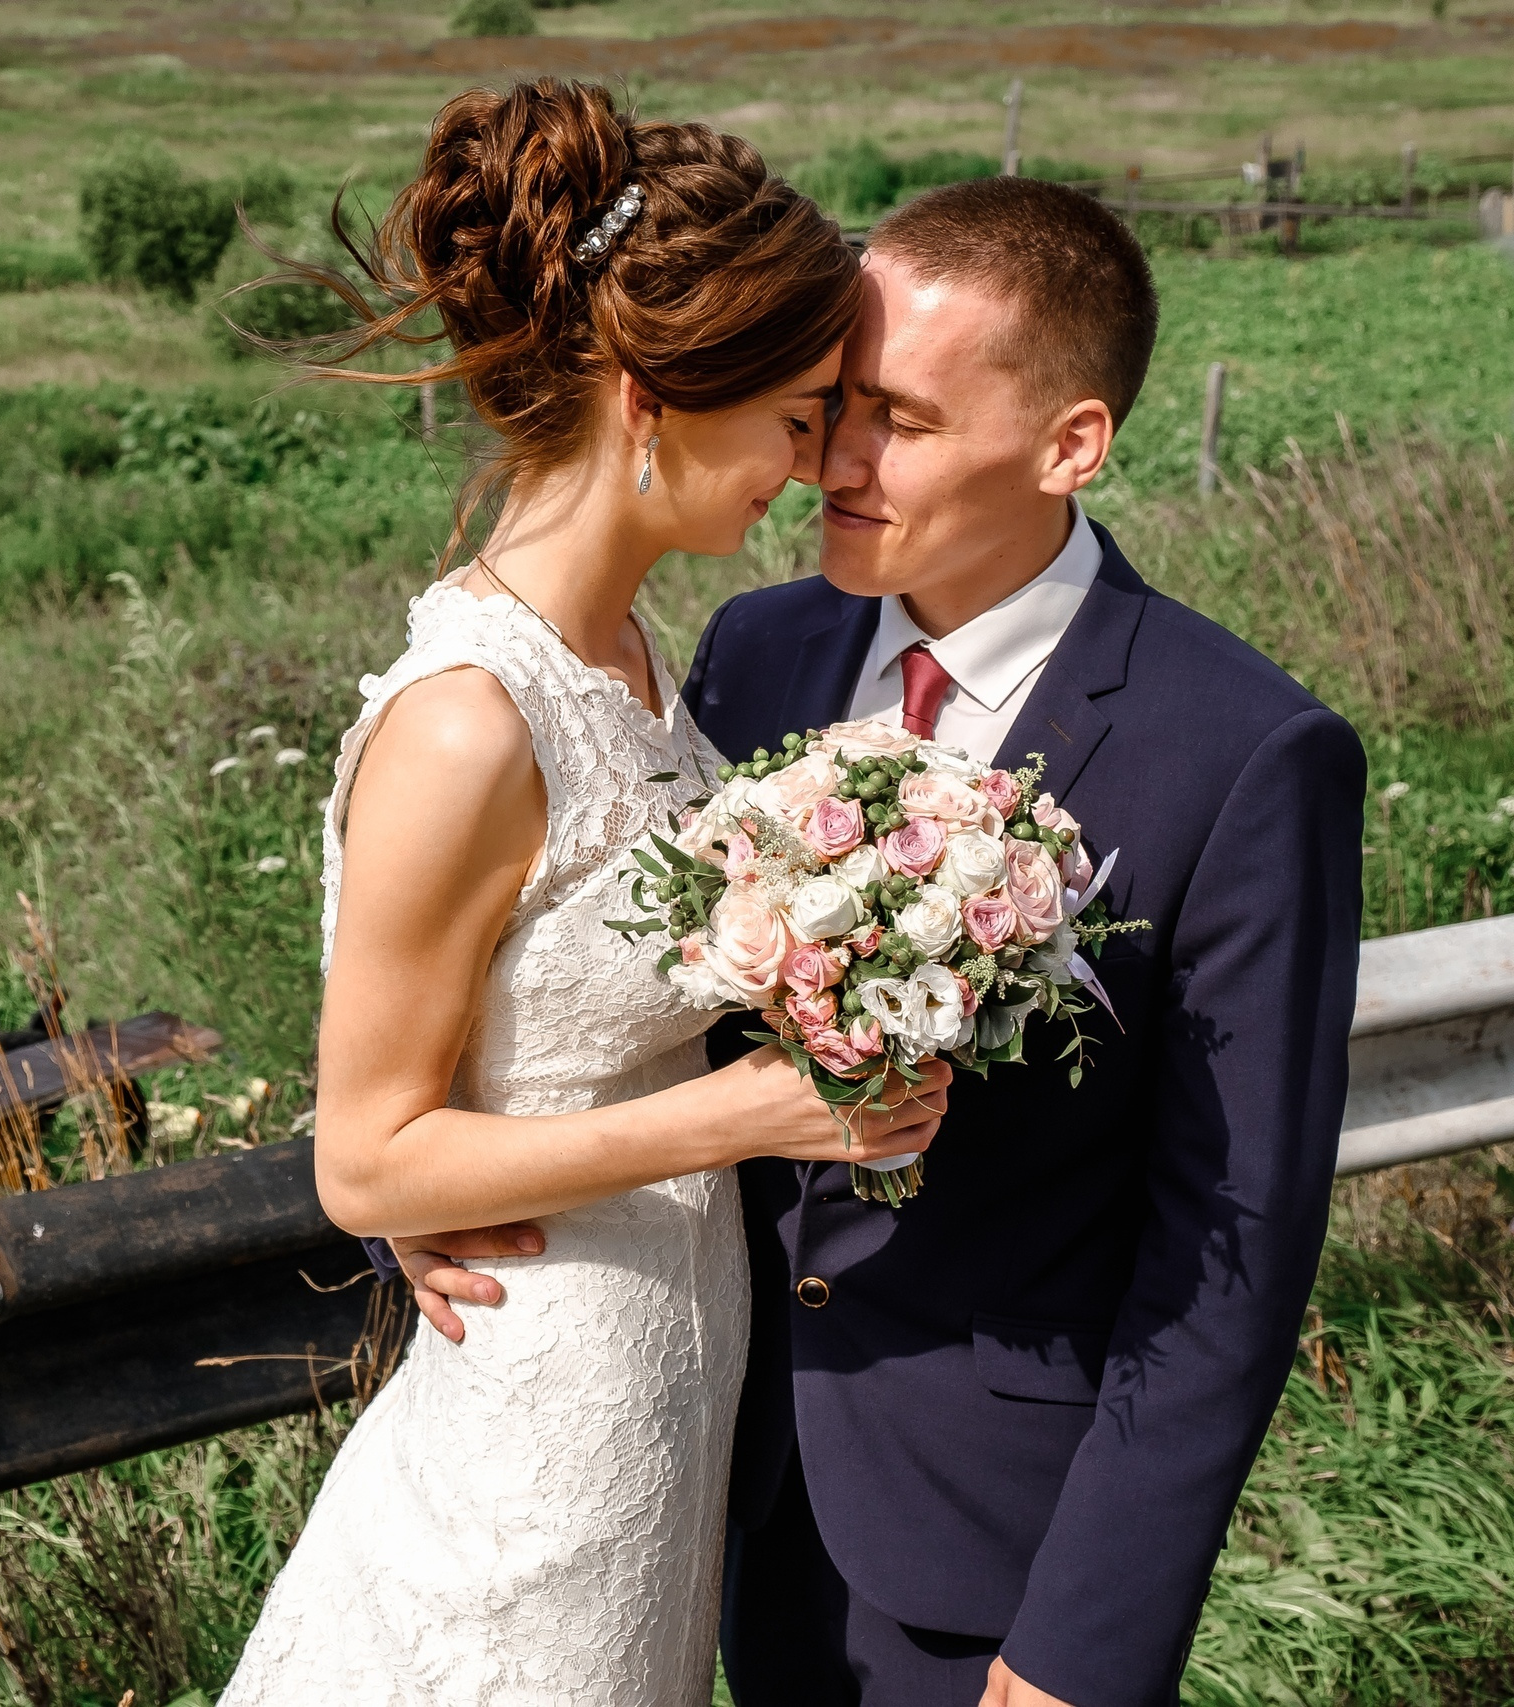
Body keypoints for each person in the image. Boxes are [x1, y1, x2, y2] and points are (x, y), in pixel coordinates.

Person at [397, 177, 1365, 1707]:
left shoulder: (1244, 750)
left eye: (897, 421)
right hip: (717, 1481)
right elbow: (644, 995)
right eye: (833, 407)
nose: (834, 464)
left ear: (1071, 444)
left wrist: (1080, 1655)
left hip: (1002, 1568)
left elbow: (1229, 1257)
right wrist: (443, 1173)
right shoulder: (756, 646)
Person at [214, 82, 946, 1707]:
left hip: (663, 1387)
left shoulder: (634, 667)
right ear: (651, 398)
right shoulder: (470, 718)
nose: (817, 462)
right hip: (537, 1422)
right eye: (800, 412)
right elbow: (365, 1155)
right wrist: (750, 1115)